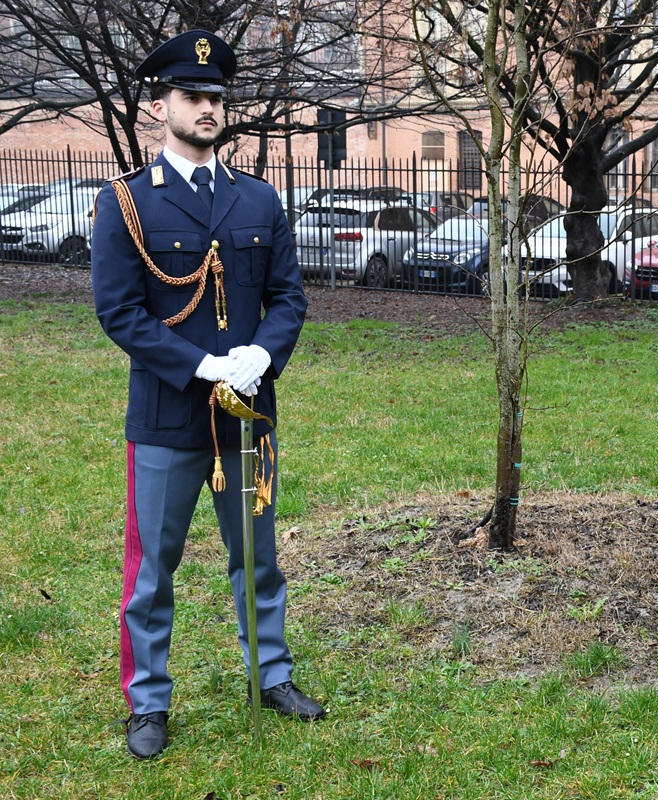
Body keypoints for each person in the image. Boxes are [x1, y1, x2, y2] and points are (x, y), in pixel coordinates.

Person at [91, 30, 324, 760]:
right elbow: (119, 312)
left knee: (257, 556)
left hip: (247, 417)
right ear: (160, 106)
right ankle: (148, 702)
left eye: (216, 97)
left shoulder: (258, 198)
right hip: (168, 415)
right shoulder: (128, 202)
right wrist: (200, 367)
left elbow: (288, 297)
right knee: (152, 570)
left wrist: (263, 353)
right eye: (192, 96)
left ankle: (271, 674)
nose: (207, 108)